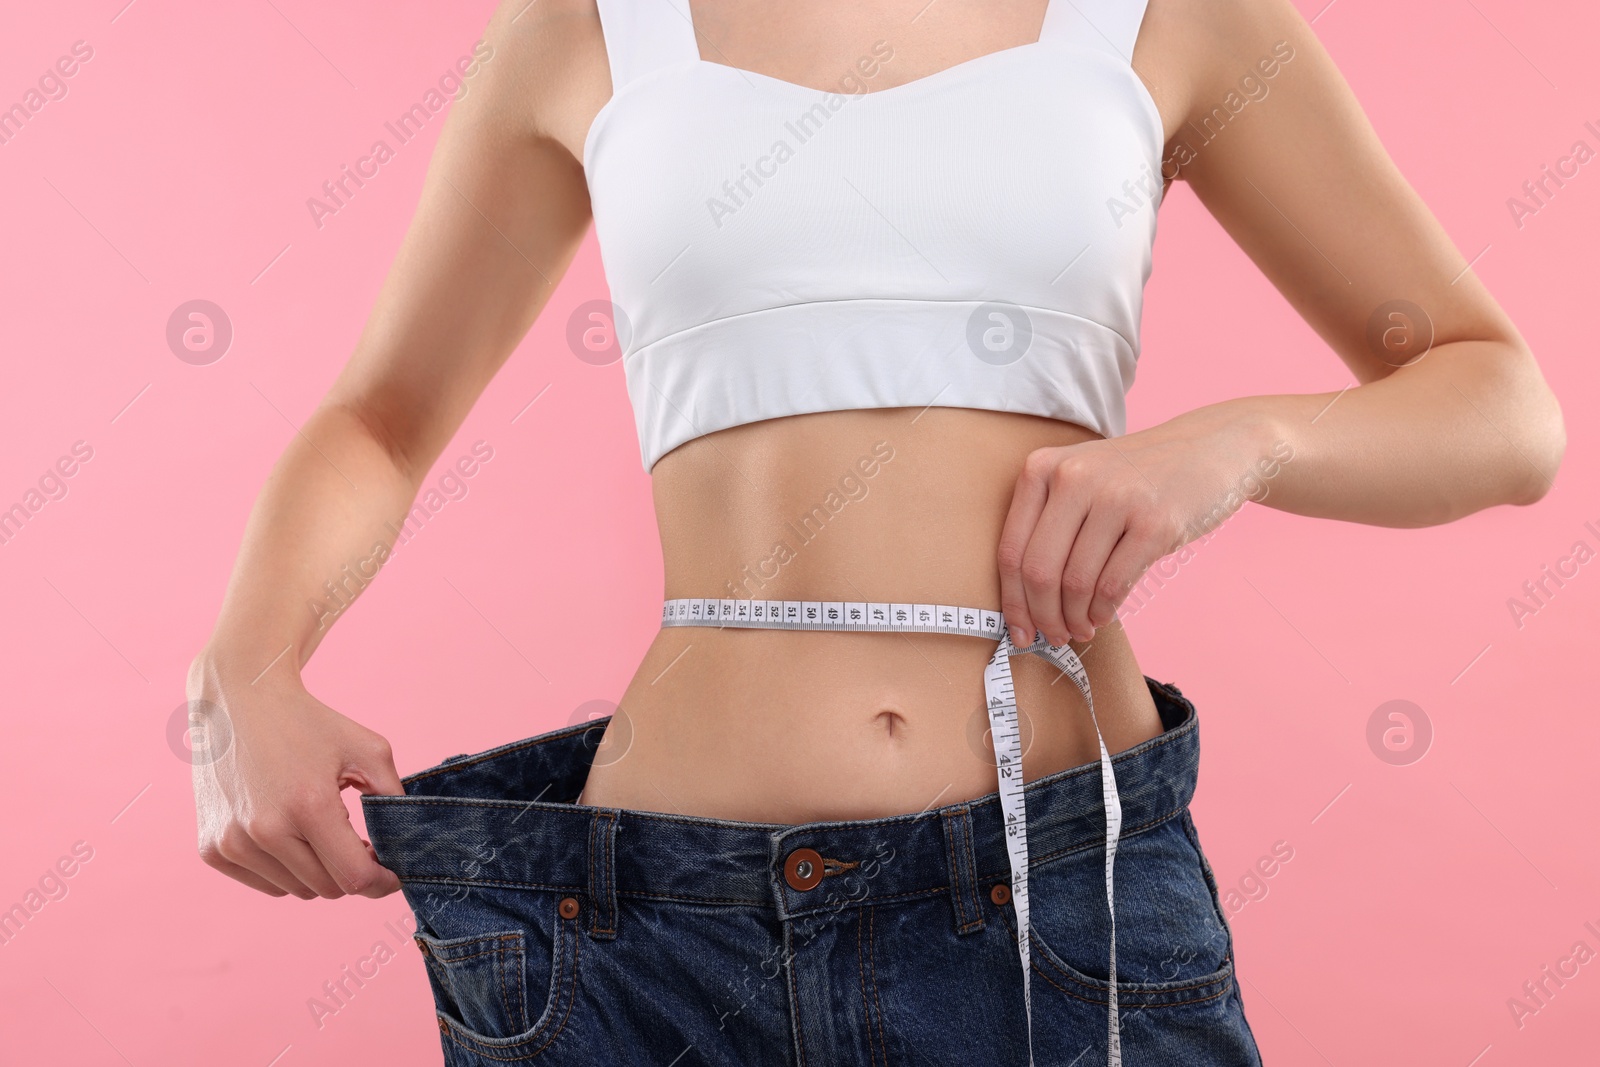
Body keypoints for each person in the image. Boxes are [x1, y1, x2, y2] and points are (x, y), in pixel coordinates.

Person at [187, 0, 1565, 1063]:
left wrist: (1243, 442)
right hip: (658, 938)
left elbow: (1499, 402)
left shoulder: (1162, 15)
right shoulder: (595, 23)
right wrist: (245, 667)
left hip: (1060, 910)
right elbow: (383, 412)